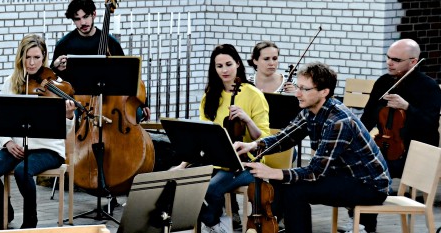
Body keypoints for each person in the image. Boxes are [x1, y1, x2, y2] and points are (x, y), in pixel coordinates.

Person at [235, 62, 390, 233]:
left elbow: (315, 172)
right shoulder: (310, 110)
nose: (298, 94)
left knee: (295, 191)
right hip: (342, 175)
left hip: (369, 185)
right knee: (283, 184)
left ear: (324, 92)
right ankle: (267, 228)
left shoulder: (339, 121)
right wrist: (254, 145)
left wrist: (273, 172)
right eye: (298, 87)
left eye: (305, 89)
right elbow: (284, 138)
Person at [170, 44, 271, 233]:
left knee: (209, 189)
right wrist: (183, 165)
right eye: (219, 66)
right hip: (214, 160)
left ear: (238, 64)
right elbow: (201, 137)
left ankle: (215, 224)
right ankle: (213, 222)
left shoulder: (254, 95)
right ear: (213, 68)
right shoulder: (210, 95)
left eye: (228, 64)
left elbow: (264, 138)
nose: (224, 70)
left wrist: (247, 119)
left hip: (244, 163)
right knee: (178, 182)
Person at [0, 34, 75, 230]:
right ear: (20, 57)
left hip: (47, 149)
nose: (31, 63)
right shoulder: (11, 82)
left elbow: (65, 131)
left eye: (37, 58)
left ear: (44, 58)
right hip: (16, 146)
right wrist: (8, 142)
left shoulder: (55, 85)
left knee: (22, 173)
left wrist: (67, 116)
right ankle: (5, 209)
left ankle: (30, 220)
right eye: (27, 57)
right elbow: (0, 119)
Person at [357, 38, 441, 232]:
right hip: (386, 147)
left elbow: (429, 123)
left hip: (413, 154)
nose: (389, 63)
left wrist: (407, 107)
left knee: (373, 171)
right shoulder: (384, 82)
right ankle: (357, 214)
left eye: (395, 59)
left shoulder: (428, 87)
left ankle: (366, 224)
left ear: (413, 61)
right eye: (388, 58)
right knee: (355, 164)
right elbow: (368, 117)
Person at [50, 0, 150, 121]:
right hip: (79, 103)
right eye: (77, 19)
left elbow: (129, 76)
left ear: (94, 14)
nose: (83, 22)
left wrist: (143, 103)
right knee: (67, 116)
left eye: (86, 16)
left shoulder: (111, 43)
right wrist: (54, 67)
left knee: (137, 113)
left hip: (110, 101)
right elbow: (52, 80)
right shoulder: (64, 44)